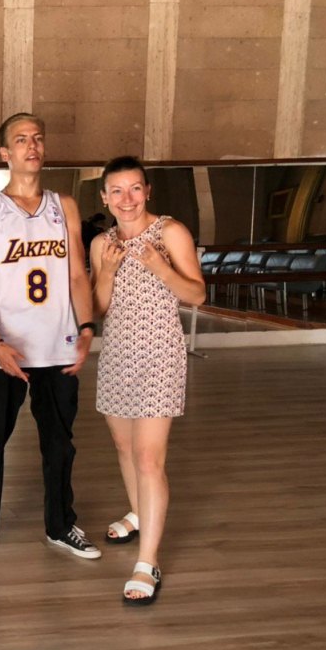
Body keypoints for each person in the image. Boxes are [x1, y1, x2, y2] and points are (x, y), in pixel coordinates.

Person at [0, 113, 101, 568]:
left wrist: (86, 328)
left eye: (38, 138)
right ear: (5, 152)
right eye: (21, 139)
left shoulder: (65, 205)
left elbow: (77, 273)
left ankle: (61, 526)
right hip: (5, 348)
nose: (32, 145)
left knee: (59, 444)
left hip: (58, 344)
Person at [90, 155, 205, 605]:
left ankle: (148, 561)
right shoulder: (102, 243)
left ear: (148, 191)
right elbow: (99, 308)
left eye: (135, 188)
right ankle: (139, 512)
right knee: (124, 448)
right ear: (104, 197)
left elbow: (197, 294)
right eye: (117, 191)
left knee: (148, 458)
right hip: (118, 355)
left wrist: (161, 267)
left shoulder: (170, 232)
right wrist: (107, 272)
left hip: (160, 356)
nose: (127, 199)